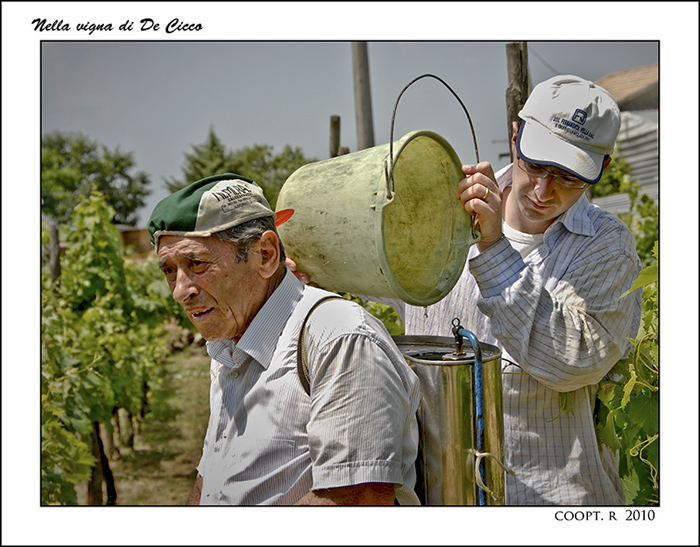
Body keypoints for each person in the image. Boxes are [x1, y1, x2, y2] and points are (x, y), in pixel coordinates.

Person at [290, 75, 643, 505]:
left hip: (550, 503)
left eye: (568, 177)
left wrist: (493, 249)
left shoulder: (606, 247)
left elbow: (572, 362)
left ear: (601, 169)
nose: (543, 190)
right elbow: (376, 266)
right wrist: (310, 264)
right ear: (516, 136)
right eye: (535, 165)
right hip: (438, 496)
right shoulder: (442, 207)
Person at [147, 173, 421, 505]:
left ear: (265, 255)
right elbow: (212, 478)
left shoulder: (338, 337)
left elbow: (356, 498)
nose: (180, 291)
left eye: (197, 263)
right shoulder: (227, 349)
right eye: (169, 271)